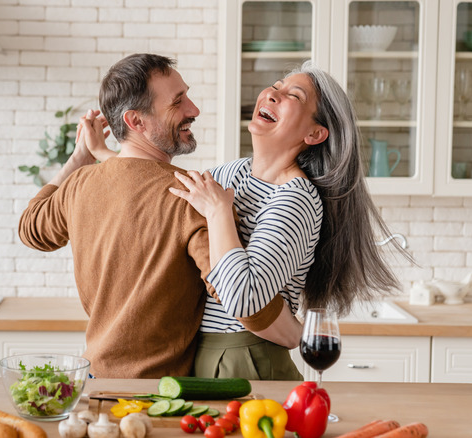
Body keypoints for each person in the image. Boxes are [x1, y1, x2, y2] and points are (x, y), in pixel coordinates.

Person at [85, 60, 407, 379]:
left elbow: (245, 299)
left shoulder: (296, 198)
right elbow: (162, 191)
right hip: (201, 356)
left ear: (314, 133)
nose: (271, 94)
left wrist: (219, 213)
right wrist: (103, 153)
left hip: (249, 358)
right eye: (276, 86)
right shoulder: (231, 173)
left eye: (293, 96)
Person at [18, 53, 293, 378]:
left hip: (94, 382)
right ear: (136, 121)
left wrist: (79, 158)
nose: (194, 109)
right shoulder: (191, 197)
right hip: (157, 397)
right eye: (178, 102)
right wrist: (302, 335)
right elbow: (244, 302)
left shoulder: (80, 184)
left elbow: (31, 228)